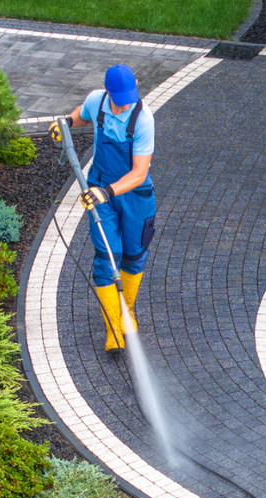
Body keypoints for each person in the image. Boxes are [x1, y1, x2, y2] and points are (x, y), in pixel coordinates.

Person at [49, 64, 156, 352]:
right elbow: (80, 114)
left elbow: (138, 174)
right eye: (119, 98)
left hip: (134, 194)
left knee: (134, 255)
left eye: (129, 96)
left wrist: (105, 192)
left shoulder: (143, 119)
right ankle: (113, 328)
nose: (124, 103)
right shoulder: (97, 101)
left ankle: (126, 312)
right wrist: (67, 124)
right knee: (108, 255)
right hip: (99, 189)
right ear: (107, 91)